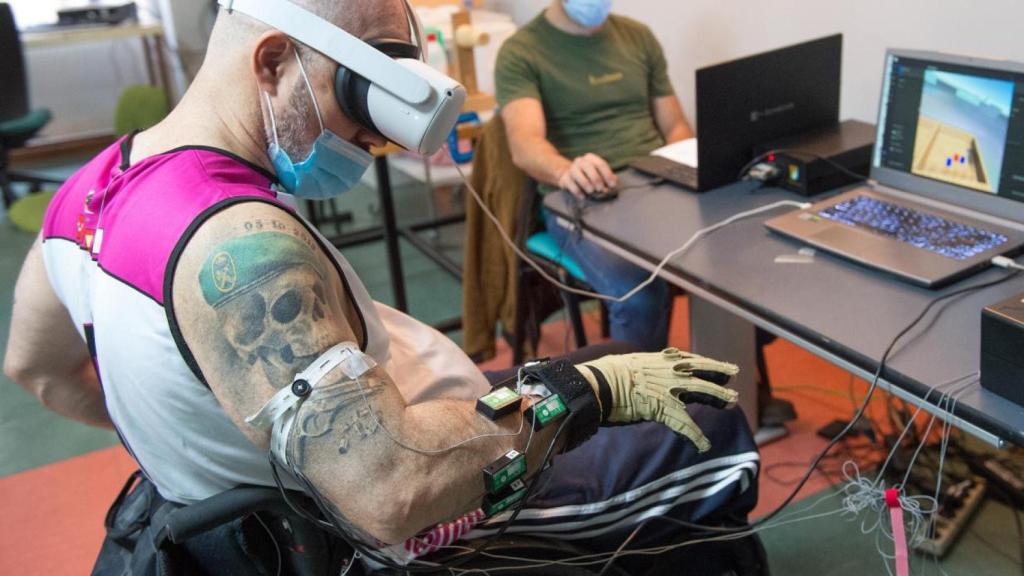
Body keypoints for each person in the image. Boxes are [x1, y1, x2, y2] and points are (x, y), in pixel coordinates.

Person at [3, 0, 759, 573]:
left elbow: (35, 368)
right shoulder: (235, 244)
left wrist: (197, 446)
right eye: (357, 102)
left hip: (283, 486)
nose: (374, 139)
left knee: (626, 343)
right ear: (271, 63)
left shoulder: (93, 188)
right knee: (708, 421)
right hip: (385, 529)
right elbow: (390, 495)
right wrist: (582, 393)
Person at [497, 0, 694, 353]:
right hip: (583, 196)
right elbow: (525, 145)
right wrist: (566, 170)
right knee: (640, 293)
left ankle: (745, 386)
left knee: (732, 263)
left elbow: (676, 124)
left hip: (655, 184)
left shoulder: (637, 37)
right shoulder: (522, 52)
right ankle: (638, 403)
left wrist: (684, 164)